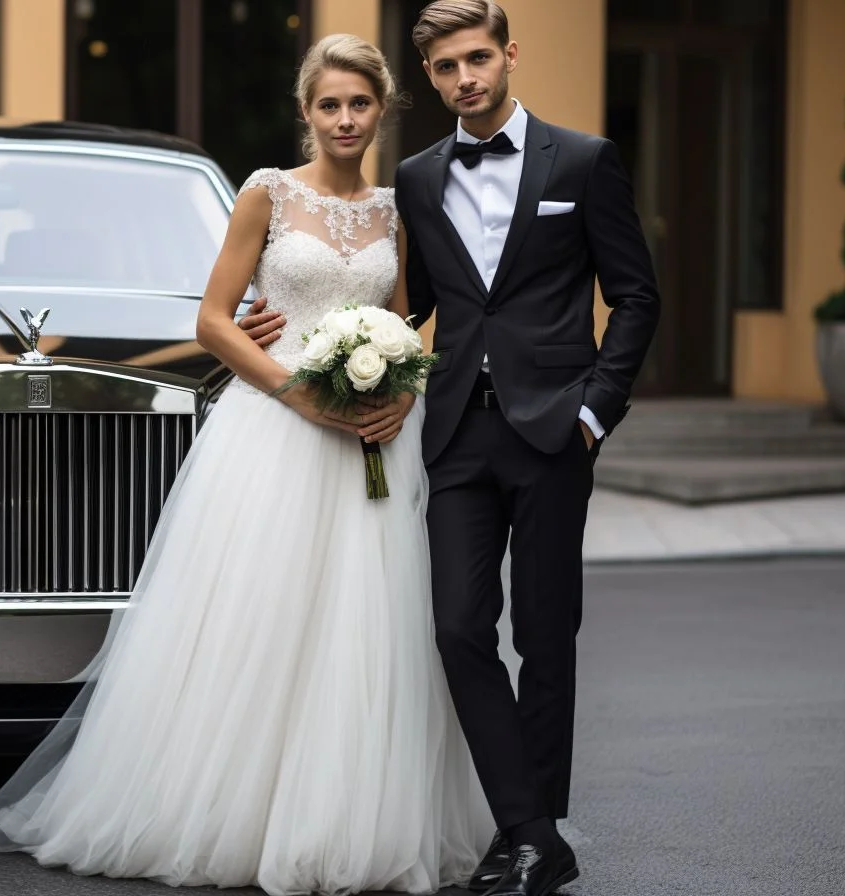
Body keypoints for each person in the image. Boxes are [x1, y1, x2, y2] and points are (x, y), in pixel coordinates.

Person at [0, 32, 503, 896]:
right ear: (306, 112)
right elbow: (214, 320)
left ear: (382, 110)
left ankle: (351, 817)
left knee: (372, 631)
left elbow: (407, 322)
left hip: (373, 439)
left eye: (359, 104)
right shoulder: (266, 193)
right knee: (261, 623)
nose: (343, 118)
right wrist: (299, 393)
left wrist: (401, 391)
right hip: (276, 433)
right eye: (328, 104)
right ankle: (232, 814)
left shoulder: (396, 208)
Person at [240, 3, 661, 895]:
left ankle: (535, 841)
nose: (465, 77)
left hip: (555, 430)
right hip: (455, 436)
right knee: (459, 629)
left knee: (547, 638)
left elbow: (635, 295)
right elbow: (402, 304)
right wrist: (281, 327)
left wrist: (596, 411)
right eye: (445, 67)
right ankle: (530, 828)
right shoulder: (422, 181)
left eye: (478, 58)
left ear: (509, 56)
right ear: (428, 79)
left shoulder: (583, 161)